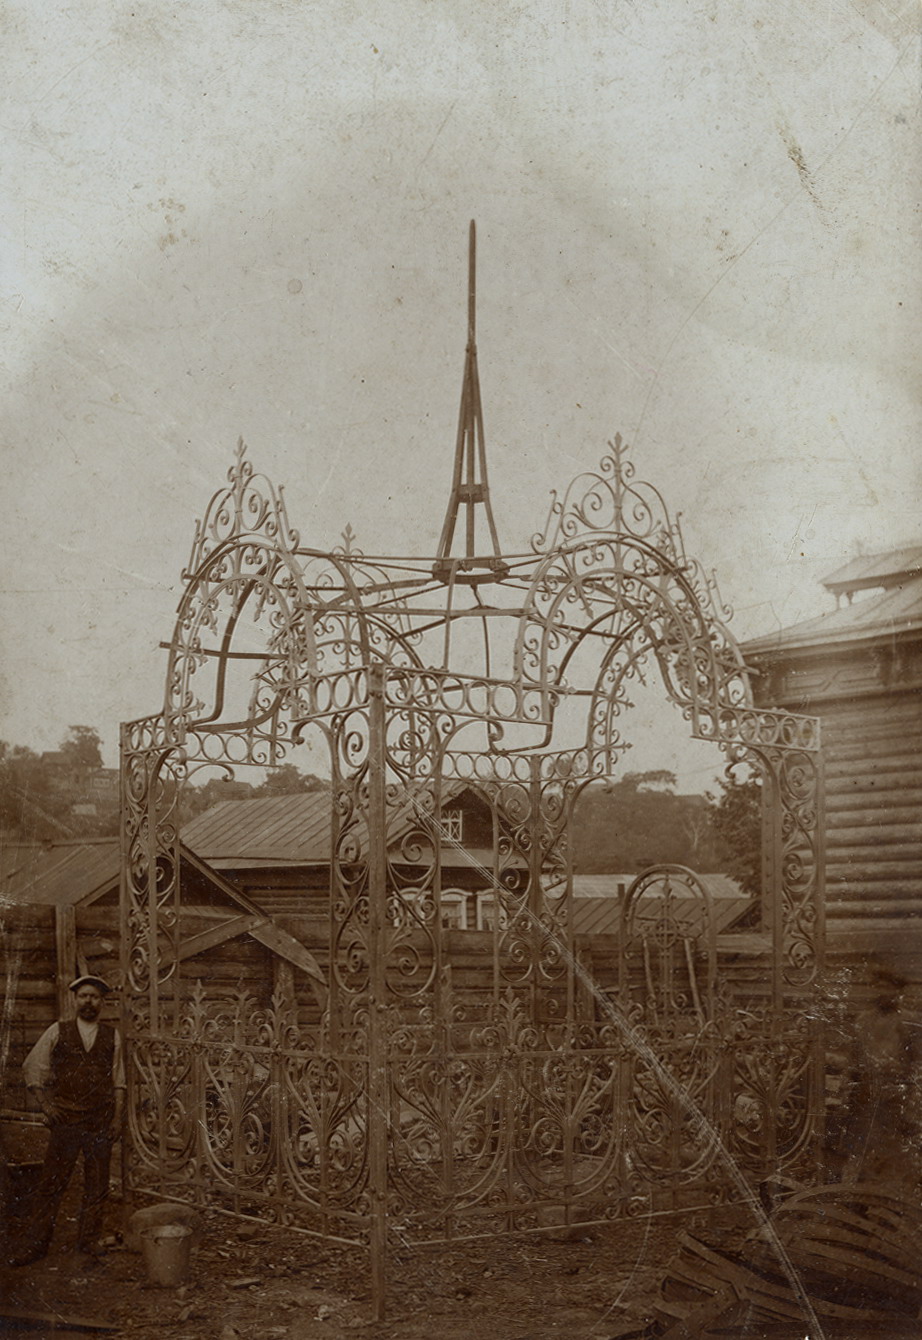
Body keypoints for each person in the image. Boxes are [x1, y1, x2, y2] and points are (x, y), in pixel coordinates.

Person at [12, 975, 125, 1266]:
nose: (89, 1001)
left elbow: (119, 1081)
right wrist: (46, 1106)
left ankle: (88, 1241)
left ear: (102, 1002)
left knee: (97, 1184)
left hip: (99, 1120)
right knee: (51, 1183)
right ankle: (36, 1245)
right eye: (84, 996)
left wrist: (116, 1120)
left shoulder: (112, 1036)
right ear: (75, 999)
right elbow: (32, 1066)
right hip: (67, 1119)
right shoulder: (58, 1030)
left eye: (95, 997)